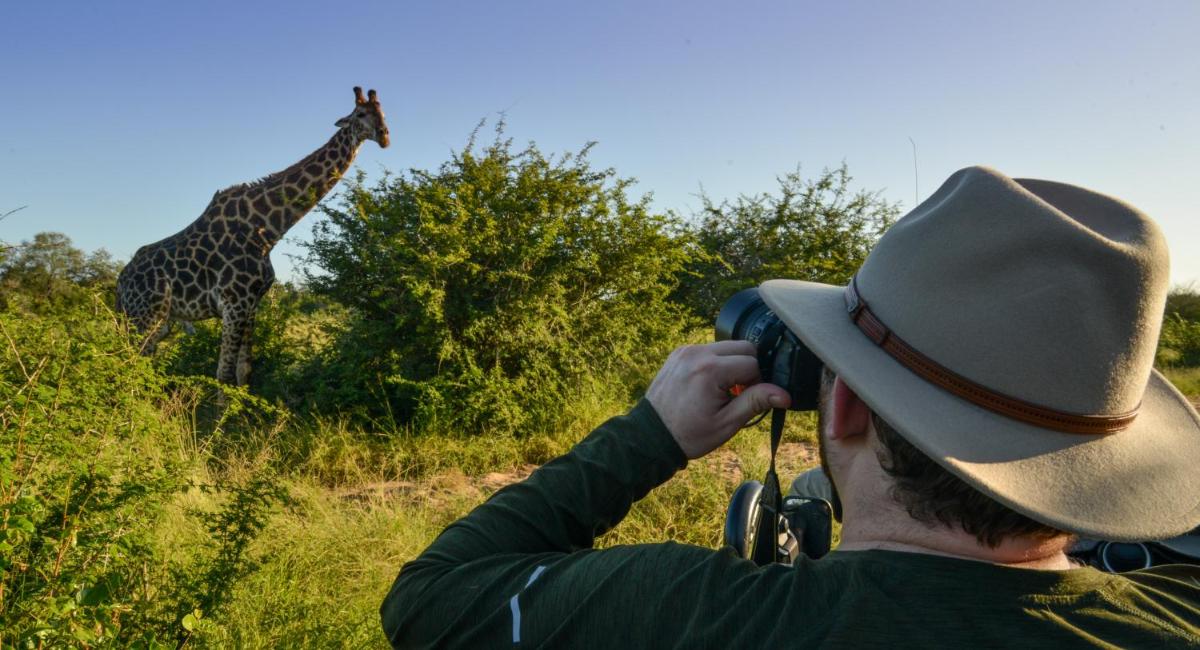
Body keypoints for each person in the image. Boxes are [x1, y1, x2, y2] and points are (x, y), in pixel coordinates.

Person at [380, 166, 1200, 647]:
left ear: (839, 404)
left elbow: (429, 600)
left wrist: (650, 433)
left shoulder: (694, 613)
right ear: (1105, 459)